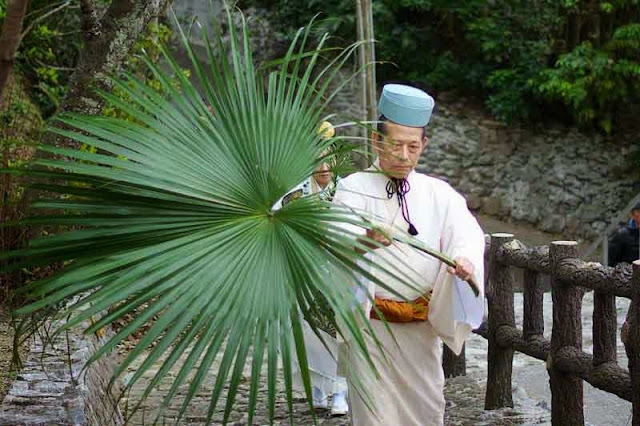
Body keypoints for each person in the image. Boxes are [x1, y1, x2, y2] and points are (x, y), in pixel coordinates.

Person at [331, 84, 485, 426]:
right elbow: (335, 236)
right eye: (395, 145)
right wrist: (364, 240)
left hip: (420, 331)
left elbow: (466, 232)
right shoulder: (353, 188)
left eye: (413, 147)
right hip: (370, 328)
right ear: (376, 141)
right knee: (374, 415)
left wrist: (464, 259)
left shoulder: (437, 193)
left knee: (427, 411)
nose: (404, 155)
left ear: (424, 145)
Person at [273, 122, 349, 416]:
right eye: (317, 161)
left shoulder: (345, 192)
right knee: (307, 333)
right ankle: (318, 388)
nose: (324, 167)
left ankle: (340, 391)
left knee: (338, 330)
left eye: (328, 159)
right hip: (305, 273)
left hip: (337, 270)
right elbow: (278, 224)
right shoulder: (295, 196)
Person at [608, 202, 640, 267]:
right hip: (626, 274)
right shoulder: (622, 235)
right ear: (632, 215)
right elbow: (611, 262)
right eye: (638, 212)